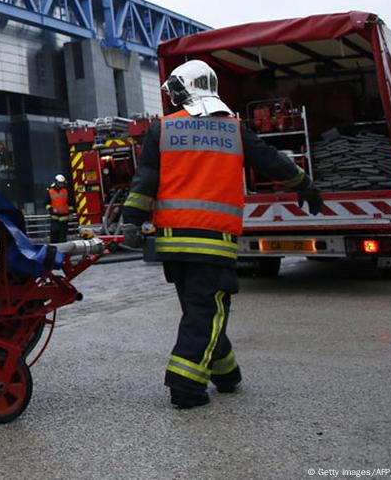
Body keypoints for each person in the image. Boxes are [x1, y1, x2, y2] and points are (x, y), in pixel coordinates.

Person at [121, 60, 323, 409]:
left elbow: (146, 181)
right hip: (213, 243)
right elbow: (270, 160)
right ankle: (185, 385)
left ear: (182, 90)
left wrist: (131, 220)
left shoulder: (162, 130)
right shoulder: (234, 129)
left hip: (173, 245)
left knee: (200, 310)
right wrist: (303, 183)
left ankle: (227, 374)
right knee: (206, 312)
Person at [48, 174, 70, 243]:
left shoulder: (65, 191)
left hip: (64, 216)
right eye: (60, 183)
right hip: (54, 216)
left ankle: (62, 249)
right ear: (56, 182)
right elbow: (46, 203)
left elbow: (70, 202)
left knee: (63, 234)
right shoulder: (50, 191)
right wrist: (51, 209)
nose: (61, 185)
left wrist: (71, 212)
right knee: (54, 232)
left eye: (62, 183)